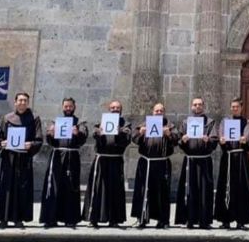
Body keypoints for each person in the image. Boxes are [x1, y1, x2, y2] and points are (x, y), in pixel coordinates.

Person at [0, 92, 43, 229]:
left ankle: (18, 218)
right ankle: (3, 218)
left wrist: (31, 144)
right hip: (8, 158)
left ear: (28, 103)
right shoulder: (7, 118)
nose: (22, 103)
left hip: (23, 158)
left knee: (21, 188)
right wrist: (1, 143)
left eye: (25, 100)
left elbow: (39, 139)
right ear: (15, 102)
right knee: (5, 187)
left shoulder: (34, 119)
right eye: (20, 100)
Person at [40, 97, 88, 229]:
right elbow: (50, 141)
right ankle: (50, 218)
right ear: (62, 107)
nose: (68, 108)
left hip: (72, 157)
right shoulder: (56, 122)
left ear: (74, 107)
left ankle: (70, 219)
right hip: (56, 156)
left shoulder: (80, 123)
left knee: (71, 187)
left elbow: (83, 140)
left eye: (70, 106)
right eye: (66, 106)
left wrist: (77, 133)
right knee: (53, 187)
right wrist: (50, 134)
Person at [83, 100, 132, 228]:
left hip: (115, 161)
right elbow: (94, 134)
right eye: (113, 107)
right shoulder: (101, 122)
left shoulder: (126, 124)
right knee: (97, 189)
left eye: (117, 107)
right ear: (109, 109)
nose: (115, 109)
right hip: (101, 161)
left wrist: (120, 132)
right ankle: (93, 218)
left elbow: (127, 140)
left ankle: (114, 219)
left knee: (115, 190)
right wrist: (99, 132)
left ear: (121, 110)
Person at [131, 103, 179, 229]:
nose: (158, 113)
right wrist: (141, 133)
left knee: (162, 193)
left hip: (162, 163)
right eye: (156, 111)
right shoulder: (144, 124)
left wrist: (169, 134)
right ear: (153, 112)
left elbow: (176, 140)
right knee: (143, 191)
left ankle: (163, 221)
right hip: (146, 163)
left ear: (164, 112)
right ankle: (142, 219)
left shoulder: (170, 125)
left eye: (161, 111)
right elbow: (134, 138)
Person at [175, 97, 219, 229]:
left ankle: (204, 221)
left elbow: (214, 140)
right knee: (190, 190)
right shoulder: (185, 123)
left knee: (205, 191)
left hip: (204, 161)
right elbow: (178, 140)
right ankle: (189, 219)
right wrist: (182, 140)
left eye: (200, 104)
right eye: (195, 104)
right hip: (190, 161)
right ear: (192, 107)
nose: (198, 107)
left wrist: (208, 140)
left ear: (203, 106)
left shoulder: (210, 123)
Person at [215, 98, 249, 230]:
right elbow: (220, 134)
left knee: (241, 190)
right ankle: (225, 220)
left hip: (240, 159)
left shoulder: (246, 122)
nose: (234, 109)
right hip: (227, 158)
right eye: (232, 107)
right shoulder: (225, 122)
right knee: (225, 189)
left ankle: (241, 221)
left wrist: (245, 140)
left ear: (241, 108)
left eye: (236, 107)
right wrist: (221, 140)